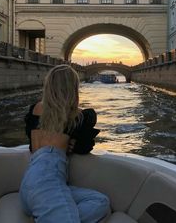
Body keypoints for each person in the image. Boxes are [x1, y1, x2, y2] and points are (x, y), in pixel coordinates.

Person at [19, 64, 110, 223]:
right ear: (73, 88)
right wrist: (71, 142)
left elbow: (32, 145)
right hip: (47, 184)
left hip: (28, 187)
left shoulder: (34, 110)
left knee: (101, 202)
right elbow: (85, 147)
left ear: (48, 86)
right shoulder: (76, 116)